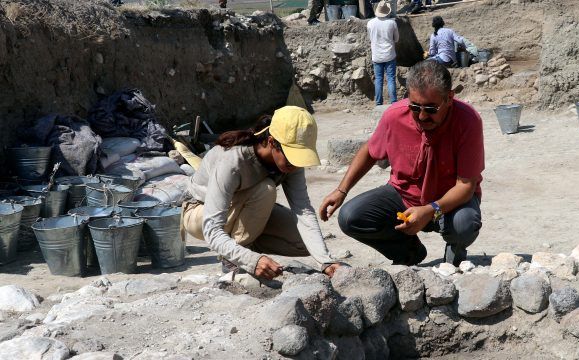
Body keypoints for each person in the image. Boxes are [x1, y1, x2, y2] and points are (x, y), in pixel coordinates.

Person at [318, 60, 484, 266]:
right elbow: (370, 151)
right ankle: (409, 253)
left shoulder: (467, 121)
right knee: (350, 217)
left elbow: (466, 186)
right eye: (415, 107)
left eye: (431, 109)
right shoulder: (394, 116)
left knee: (464, 225)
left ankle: (455, 253)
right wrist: (341, 190)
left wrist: (430, 210)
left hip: (447, 203)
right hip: (404, 196)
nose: (422, 116)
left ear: (449, 98)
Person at [182, 106, 343, 280]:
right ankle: (234, 259)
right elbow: (212, 230)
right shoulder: (233, 161)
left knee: (304, 243)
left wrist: (325, 261)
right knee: (266, 189)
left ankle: (242, 245)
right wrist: (251, 260)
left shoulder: (291, 163)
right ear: (272, 142)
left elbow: (302, 209)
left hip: (242, 211)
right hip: (199, 213)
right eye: (291, 157)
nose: (295, 166)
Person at [367, 1, 399, 105]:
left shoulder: (370, 23)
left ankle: (378, 102)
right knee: (391, 79)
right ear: (387, 12)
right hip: (389, 55)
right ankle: (393, 102)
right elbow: (397, 39)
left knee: (378, 80)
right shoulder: (392, 23)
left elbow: (370, 38)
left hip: (376, 56)